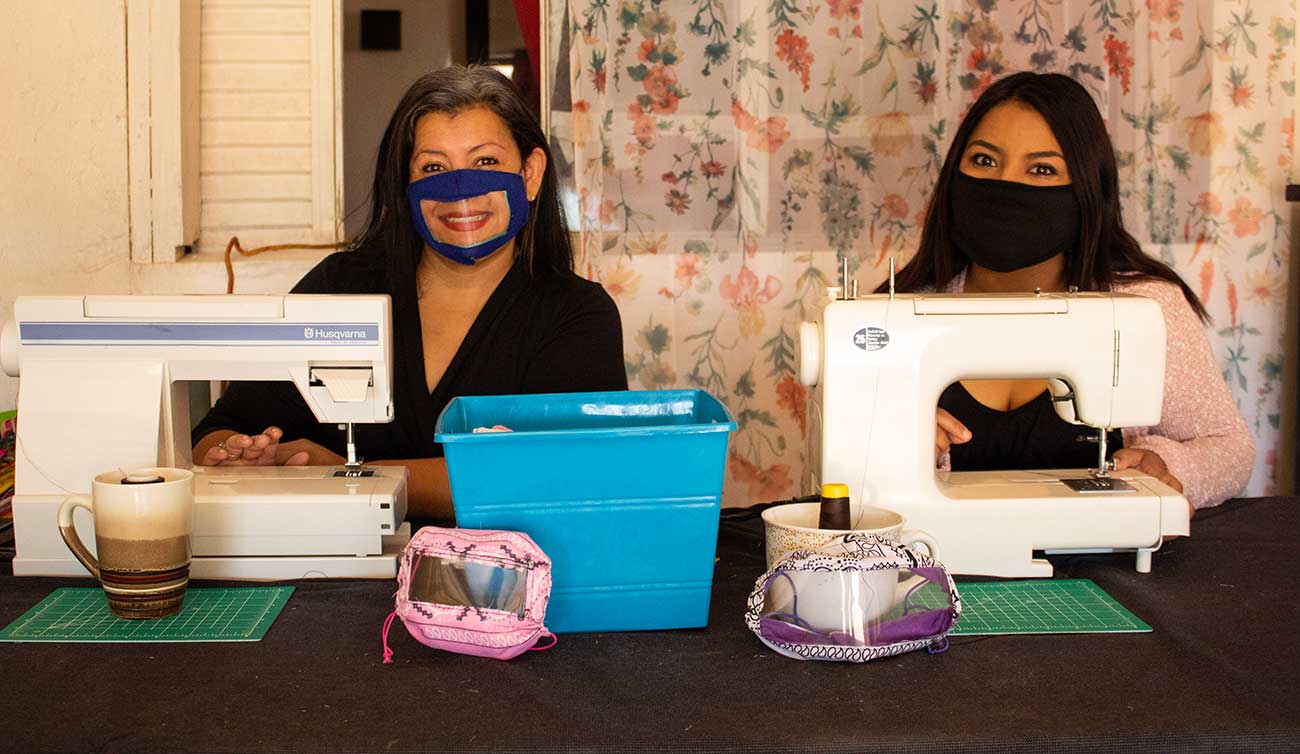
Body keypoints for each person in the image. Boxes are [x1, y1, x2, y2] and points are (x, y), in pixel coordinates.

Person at [191, 66, 627, 520]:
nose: (460, 191)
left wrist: (350, 477)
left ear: (531, 173)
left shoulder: (577, 315)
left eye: (484, 162)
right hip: (338, 576)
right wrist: (240, 457)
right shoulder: (341, 288)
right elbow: (217, 431)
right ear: (407, 186)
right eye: (434, 167)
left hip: (508, 581)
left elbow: (558, 475)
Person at [886, 71, 1254, 511]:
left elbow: (1230, 449)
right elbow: (851, 483)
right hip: (944, 572)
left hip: (1104, 570)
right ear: (953, 176)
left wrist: (1166, 463)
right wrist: (896, 457)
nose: (1006, 186)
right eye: (984, 161)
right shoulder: (891, 318)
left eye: (1041, 169)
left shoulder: (1146, 308)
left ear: (1085, 191)